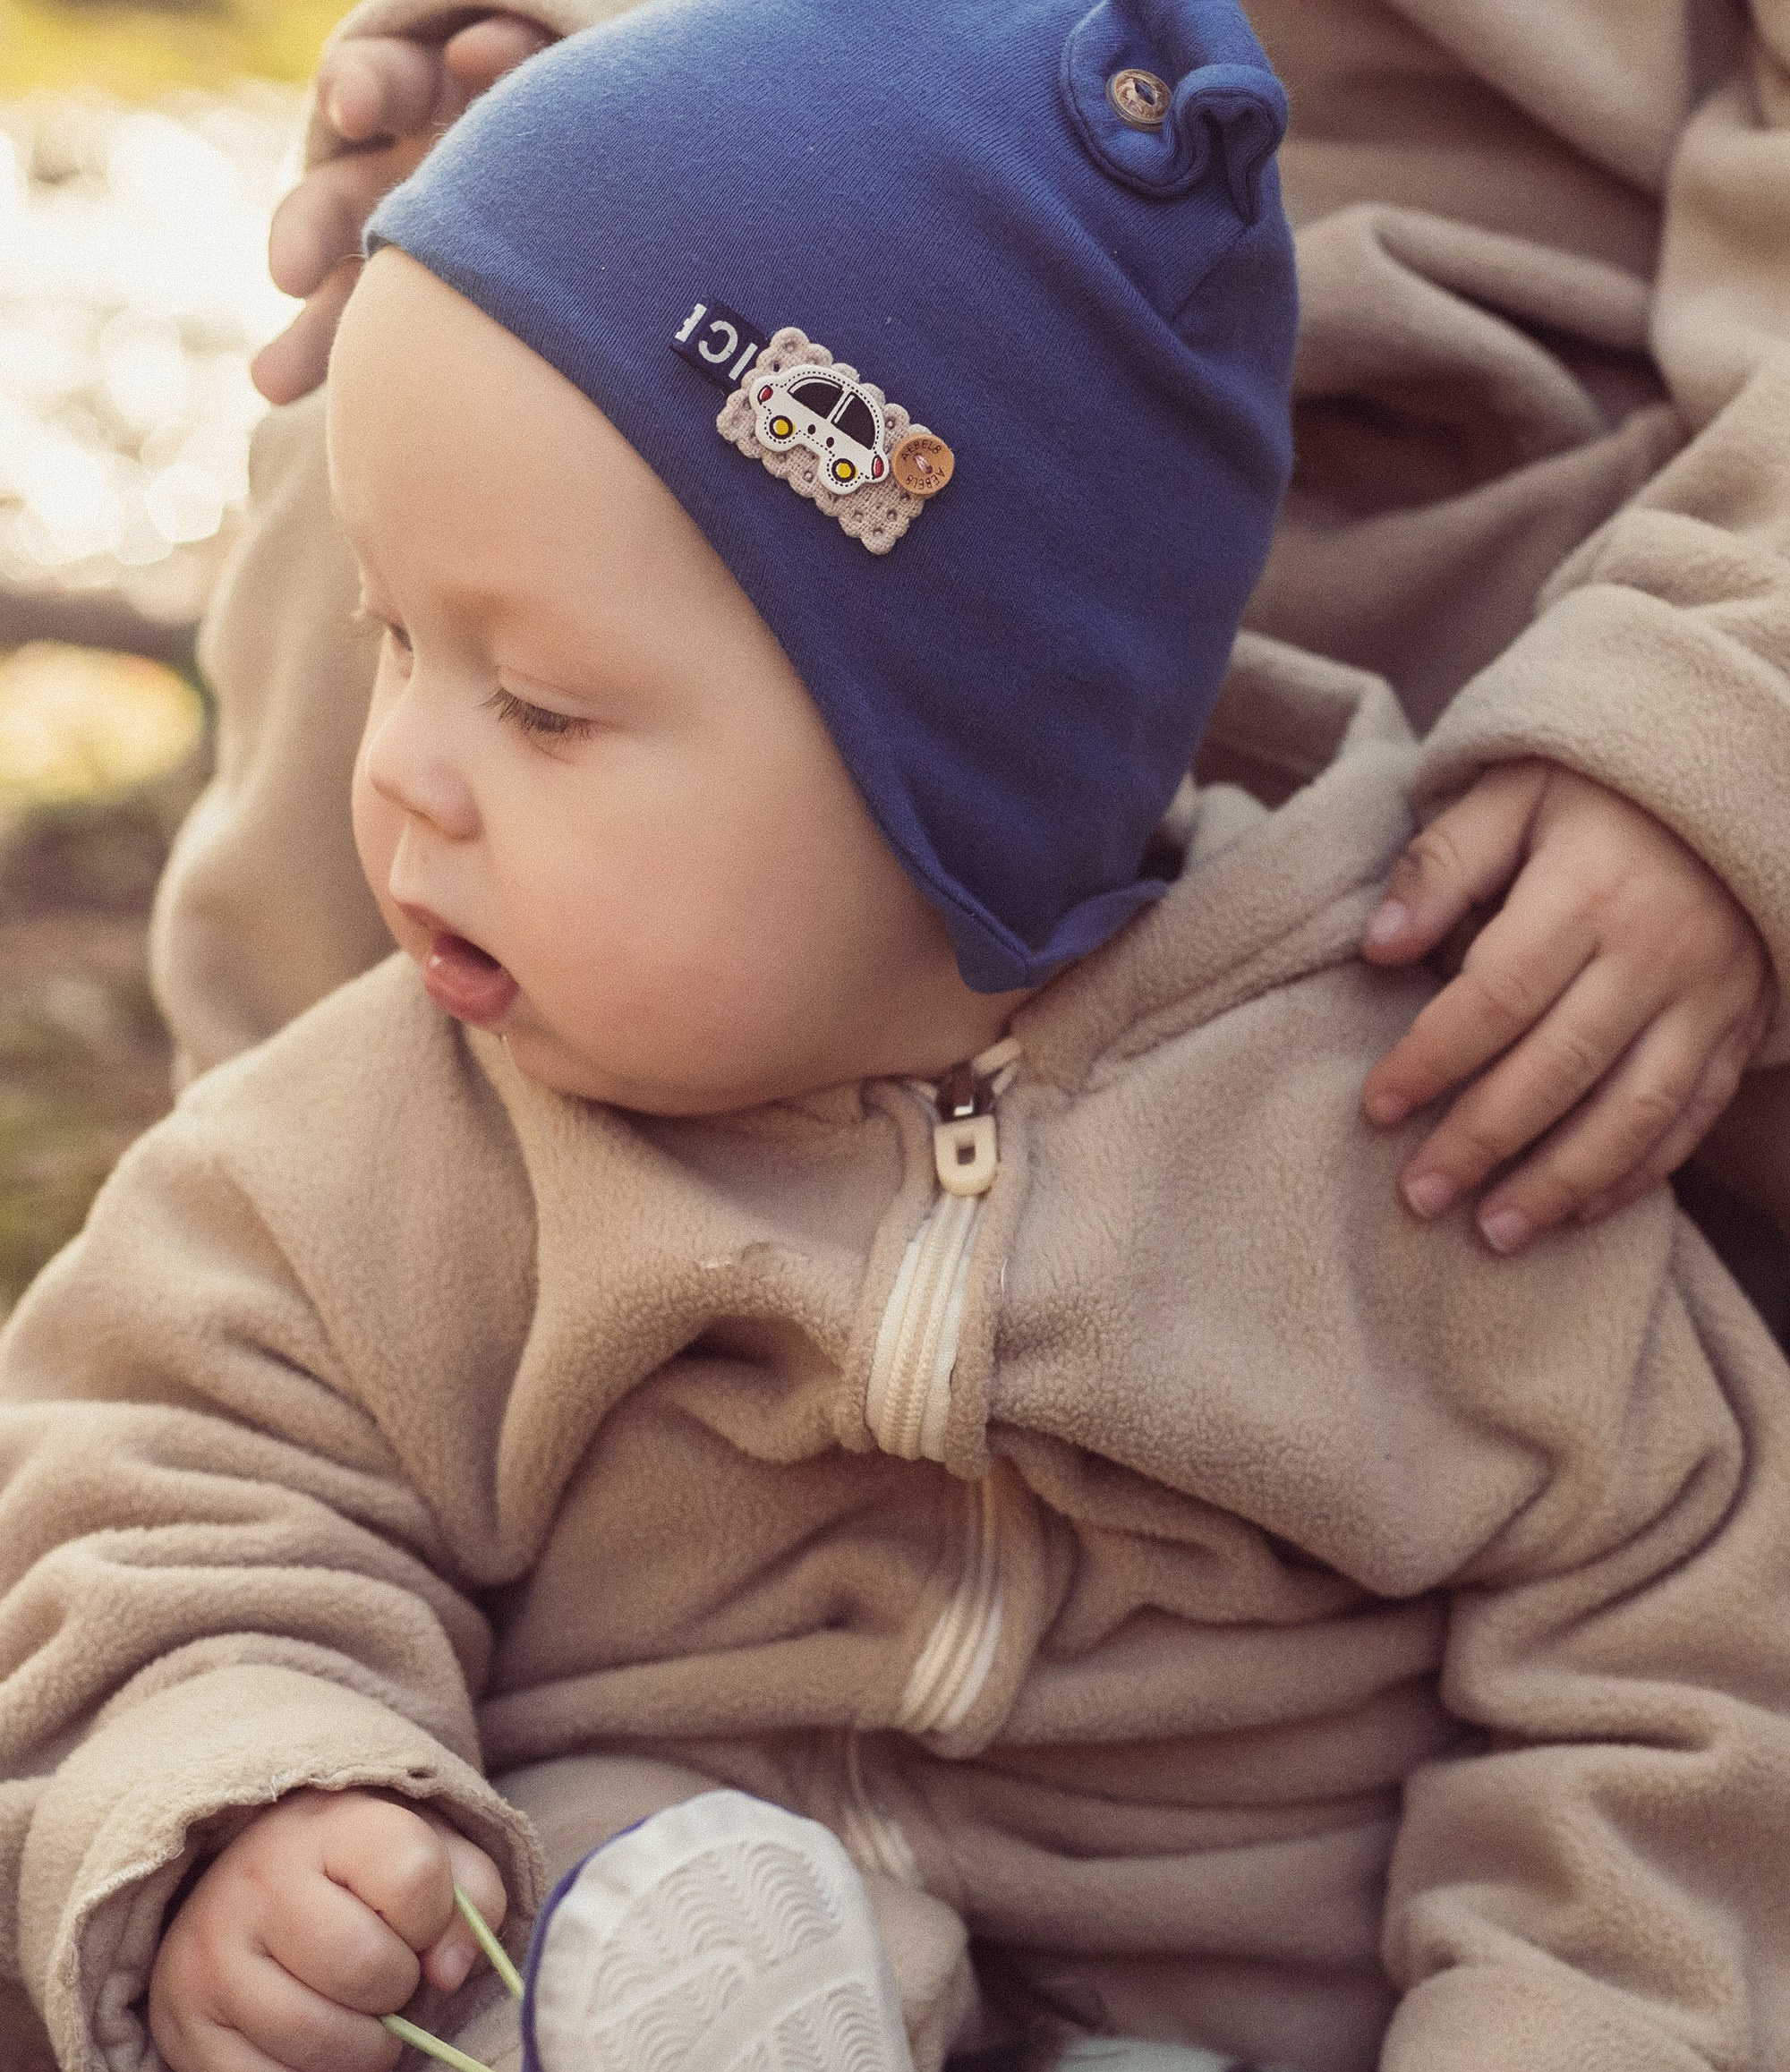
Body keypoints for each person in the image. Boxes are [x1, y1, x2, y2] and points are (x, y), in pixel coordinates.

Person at [11, 0, 1790, 2072]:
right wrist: (267, 1798)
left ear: (964, 767)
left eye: (546, 703)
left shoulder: (1394, 1138)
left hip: (1294, 2051)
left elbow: (1680, 1697)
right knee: (523, 1991)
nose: (410, 782)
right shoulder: (400, 1133)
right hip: (644, 1916)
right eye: (398, 645)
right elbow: (161, 1475)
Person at [152, 0, 1790, 1271]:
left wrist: (1725, 675)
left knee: (1585, 979)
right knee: (415, 506)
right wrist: (548, 97)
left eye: (546, 712)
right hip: (810, 285)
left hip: (1529, 469)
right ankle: (282, 1282)